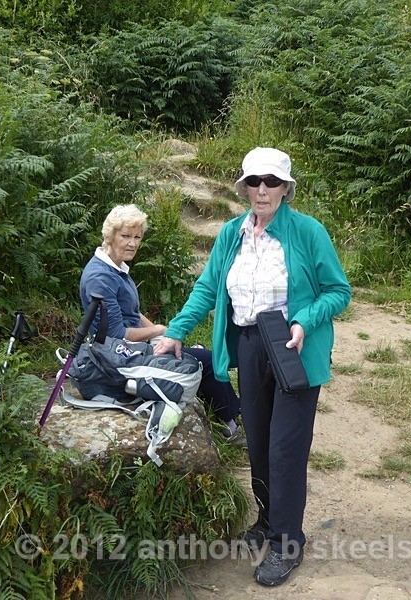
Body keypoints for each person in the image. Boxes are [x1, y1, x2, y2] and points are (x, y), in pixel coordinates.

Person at [154, 147, 351, 587]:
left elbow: (339, 291)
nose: (262, 190)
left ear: (285, 188)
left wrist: (304, 320)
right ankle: (267, 519)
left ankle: (287, 542)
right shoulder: (232, 234)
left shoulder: (308, 232)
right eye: (254, 182)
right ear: (244, 187)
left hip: (293, 346)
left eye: (272, 181)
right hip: (248, 344)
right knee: (258, 443)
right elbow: (208, 288)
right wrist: (177, 330)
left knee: (285, 450)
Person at [78, 204, 244, 443]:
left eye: (137, 237)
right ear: (110, 235)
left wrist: (162, 335)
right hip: (116, 356)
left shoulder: (115, 267)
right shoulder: (100, 277)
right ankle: (231, 424)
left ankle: (234, 412)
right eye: (125, 236)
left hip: (130, 347)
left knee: (192, 352)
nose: (132, 243)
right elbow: (116, 333)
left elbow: (132, 313)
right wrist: (159, 331)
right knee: (205, 361)